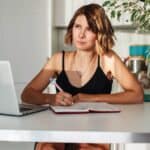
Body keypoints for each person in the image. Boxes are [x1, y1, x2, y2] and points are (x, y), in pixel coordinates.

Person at [21, 3, 144, 150]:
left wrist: (90, 98)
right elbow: (27, 94)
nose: (81, 34)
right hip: (60, 130)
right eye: (77, 26)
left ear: (99, 33)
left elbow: (137, 94)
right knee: (47, 147)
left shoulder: (108, 59)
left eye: (89, 29)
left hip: (95, 132)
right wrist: (52, 99)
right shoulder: (59, 59)